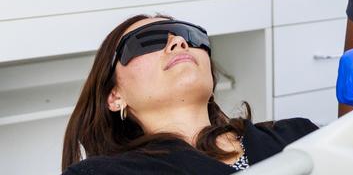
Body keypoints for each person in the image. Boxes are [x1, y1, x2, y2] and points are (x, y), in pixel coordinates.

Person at [61, 14, 317, 174]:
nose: (179, 42)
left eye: (191, 37)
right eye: (148, 40)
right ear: (115, 96)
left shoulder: (299, 135)